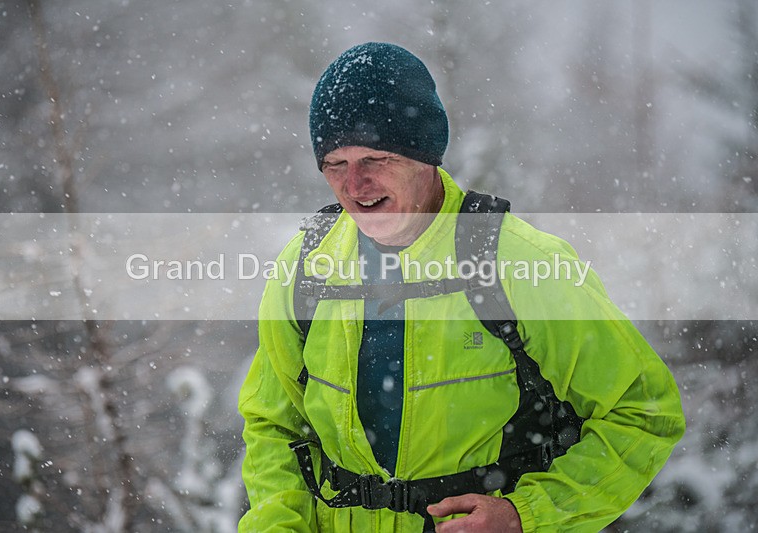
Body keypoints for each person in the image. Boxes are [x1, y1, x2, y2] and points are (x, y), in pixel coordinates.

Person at [238, 42, 685, 532]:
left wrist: (524, 515)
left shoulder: (516, 262)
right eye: (335, 164)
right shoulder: (308, 266)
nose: (355, 184)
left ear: (425, 155)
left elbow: (641, 412)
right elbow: (274, 426)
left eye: (376, 157)